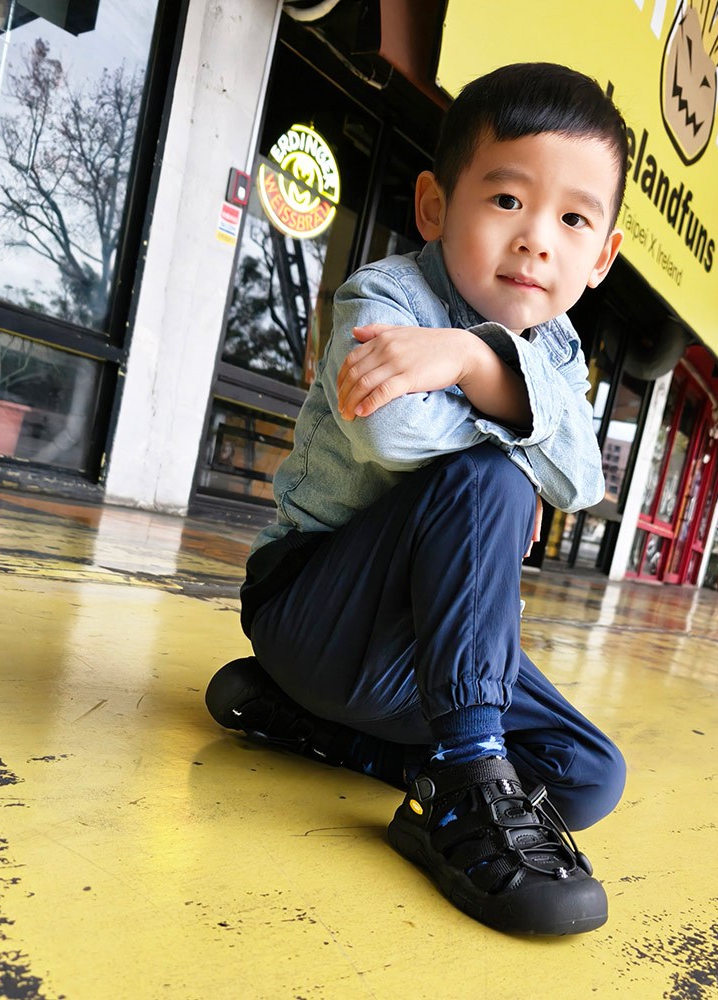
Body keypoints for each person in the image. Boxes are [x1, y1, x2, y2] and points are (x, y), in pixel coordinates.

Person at [204, 62, 628, 936]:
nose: (536, 240)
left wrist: (473, 361)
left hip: (412, 659)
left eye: (573, 219)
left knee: (587, 776)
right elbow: (394, 434)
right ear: (435, 206)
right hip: (312, 614)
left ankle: (326, 734)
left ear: (602, 256)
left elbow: (584, 480)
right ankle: (468, 779)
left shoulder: (555, 349)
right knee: (491, 477)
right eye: (507, 199)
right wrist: (522, 441)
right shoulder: (388, 295)